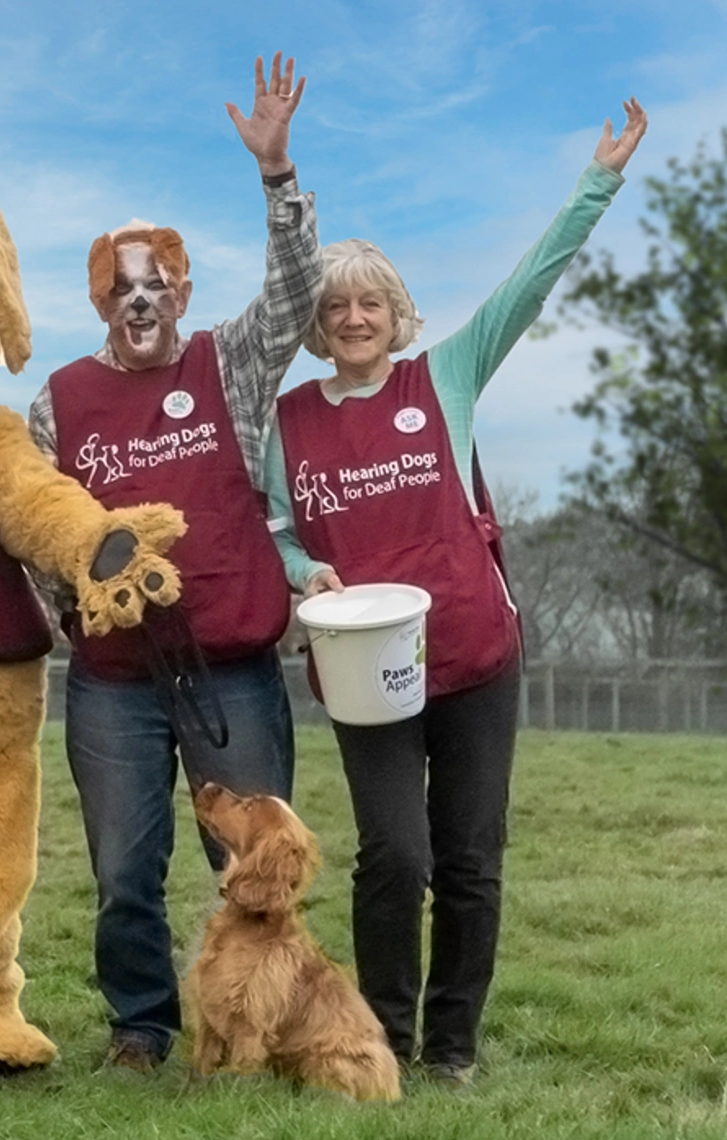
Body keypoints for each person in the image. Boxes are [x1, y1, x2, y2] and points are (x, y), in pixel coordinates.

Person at [264, 100, 648, 1084]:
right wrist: (306, 570)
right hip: (365, 671)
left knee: (470, 858)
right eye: (335, 306)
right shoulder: (290, 419)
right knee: (396, 855)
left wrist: (595, 184)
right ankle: (382, 1037)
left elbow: (531, 283)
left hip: (476, 654)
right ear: (315, 323)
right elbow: (277, 529)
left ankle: (453, 1047)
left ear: (398, 314)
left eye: (371, 304)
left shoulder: (446, 377)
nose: (353, 318)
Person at [28, 52, 318, 1073]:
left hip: (231, 662)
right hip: (114, 680)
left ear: (186, 287)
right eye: (122, 287)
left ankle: (268, 1021)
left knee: (254, 858)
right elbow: (35, 520)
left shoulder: (227, 361)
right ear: (100, 296)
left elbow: (297, 294)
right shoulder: (59, 399)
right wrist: (69, 604)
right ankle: (142, 1027)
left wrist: (277, 181)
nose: (139, 301)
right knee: (124, 866)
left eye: (157, 284)